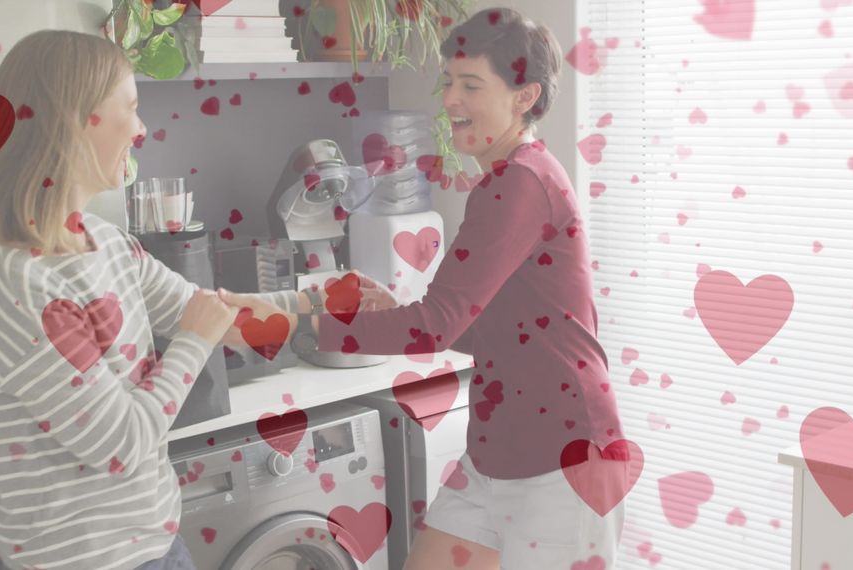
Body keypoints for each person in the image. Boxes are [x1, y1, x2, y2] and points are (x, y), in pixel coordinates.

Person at [221, 7, 630, 570]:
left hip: (561, 460)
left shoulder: (519, 184)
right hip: (501, 451)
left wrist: (290, 326)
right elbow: (476, 325)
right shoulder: (511, 178)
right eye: (449, 82)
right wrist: (394, 312)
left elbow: (433, 327)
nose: (450, 100)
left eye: (471, 85)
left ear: (524, 96)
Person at [0, 30, 307, 570]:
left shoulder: (104, 242)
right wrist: (194, 339)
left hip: (159, 545)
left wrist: (323, 303)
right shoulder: (9, 283)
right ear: (74, 121)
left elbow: (213, 313)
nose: (141, 128)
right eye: (130, 107)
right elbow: (121, 444)